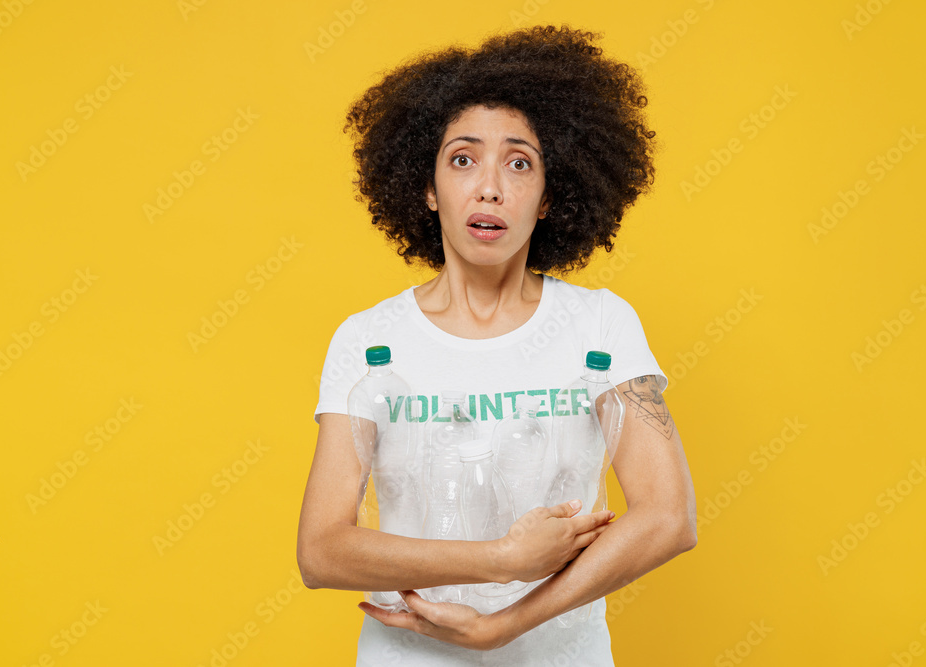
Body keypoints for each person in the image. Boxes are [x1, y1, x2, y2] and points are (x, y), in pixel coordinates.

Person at [297, 24, 697, 665]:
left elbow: (668, 518)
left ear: (547, 198)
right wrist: (501, 560)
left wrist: (503, 624)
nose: (490, 187)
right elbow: (321, 551)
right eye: (462, 159)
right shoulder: (370, 339)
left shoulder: (599, 326)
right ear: (426, 189)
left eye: (519, 163)